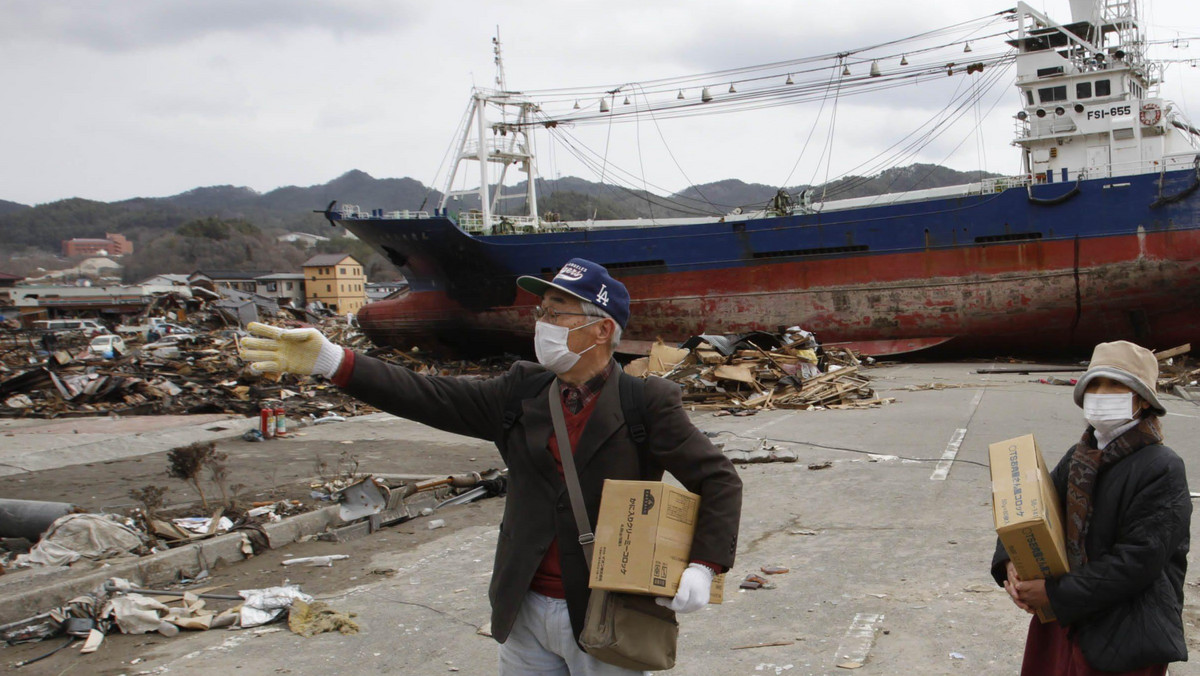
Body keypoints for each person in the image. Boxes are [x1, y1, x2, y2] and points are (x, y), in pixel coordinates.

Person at [240, 258, 743, 675]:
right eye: (542, 311)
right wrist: (333, 360)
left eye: (559, 312)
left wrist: (704, 564)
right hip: (522, 606)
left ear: (602, 329)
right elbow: (430, 396)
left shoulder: (644, 403)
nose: (542, 323)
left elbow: (717, 479)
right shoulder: (521, 390)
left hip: (608, 610)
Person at [991, 340, 1190, 674]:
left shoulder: (1162, 467)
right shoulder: (1079, 456)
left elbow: (1138, 561)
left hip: (1125, 631)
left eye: (1116, 384)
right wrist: (1011, 562)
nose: (1101, 392)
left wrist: (1054, 594)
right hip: (1065, 620)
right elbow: (1034, 510)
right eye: (1094, 383)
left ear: (1141, 399)